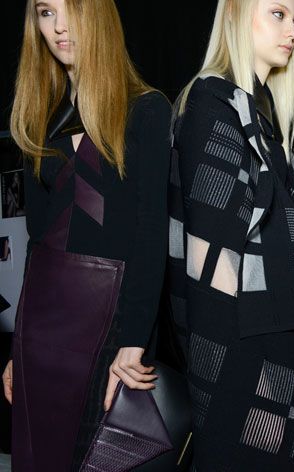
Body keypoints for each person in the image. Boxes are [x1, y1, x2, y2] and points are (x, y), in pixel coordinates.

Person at [167, 0, 294, 469]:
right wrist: (235, 380)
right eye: (278, 13)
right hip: (245, 354)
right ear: (235, 14)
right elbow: (210, 267)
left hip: (281, 340)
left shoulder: (255, 116)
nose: (292, 30)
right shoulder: (212, 103)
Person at [1, 0, 171, 469]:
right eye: (44, 11)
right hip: (43, 328)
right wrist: (18, 346)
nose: (58, 27)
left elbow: (151, 231)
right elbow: (37, 241)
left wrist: (135, 341)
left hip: (114, 321)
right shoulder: (40, 117)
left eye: (72, 8)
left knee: (100, 458)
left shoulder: (147, 110)